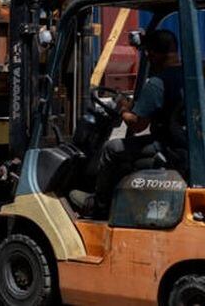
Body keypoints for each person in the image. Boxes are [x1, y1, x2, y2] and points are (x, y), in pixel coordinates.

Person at [70, 29, 185, 219]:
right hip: (181, 144)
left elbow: (137, 125)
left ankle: (99, 205)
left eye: (147, 53)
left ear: (152, 54)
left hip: (166, 147)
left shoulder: (157, 83)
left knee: (112, 149)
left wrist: (123, 109)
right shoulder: (185, 76)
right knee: (127, 150)